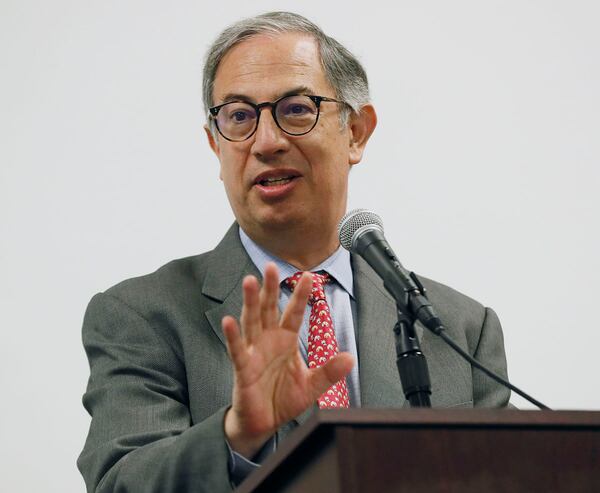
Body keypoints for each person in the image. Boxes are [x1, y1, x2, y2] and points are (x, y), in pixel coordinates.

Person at [78, 11, 510, 493]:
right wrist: (237, 435)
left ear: (356, 132)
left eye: (296, 109)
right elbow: (119, 484)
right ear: (214, 145)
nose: (266, 141)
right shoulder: (143, 315)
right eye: (239, 117)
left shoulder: (459, 327)